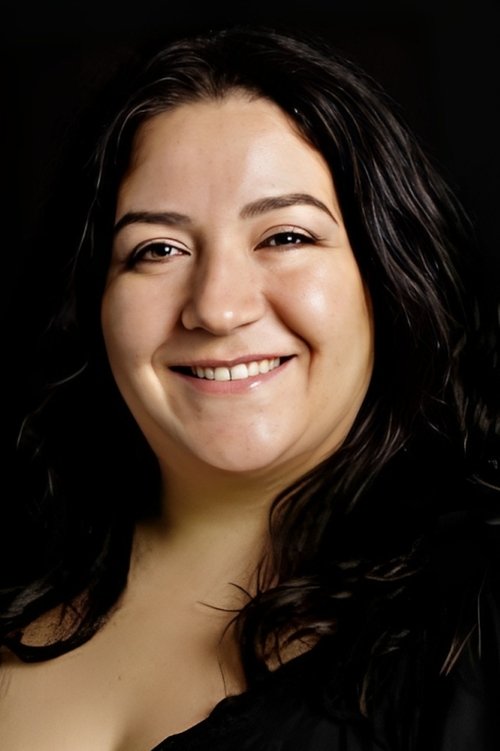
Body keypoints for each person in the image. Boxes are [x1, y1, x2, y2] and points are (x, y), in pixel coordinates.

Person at [1, 24, 499, 751]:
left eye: (285, 237)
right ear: (93, 301)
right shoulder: (16, 566)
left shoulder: (477, 612)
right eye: (158, 249)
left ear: (387, 275)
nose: (217, 307)